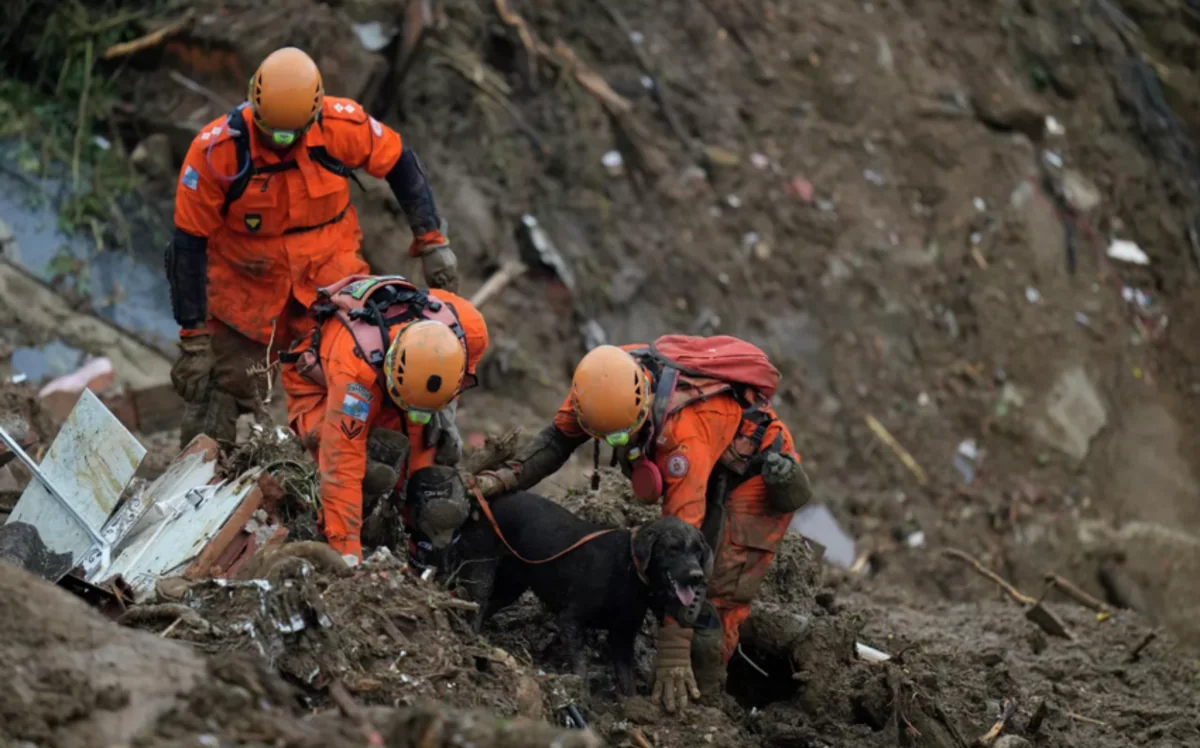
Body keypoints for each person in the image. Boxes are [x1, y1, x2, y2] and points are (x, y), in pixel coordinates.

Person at [472, 336, 813, 712]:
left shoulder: (685, 430)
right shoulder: (600, 386)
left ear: (643, 406)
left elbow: (684, 539)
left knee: (716, 592)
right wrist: (500, 480)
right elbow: (555, 443)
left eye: (621, 436)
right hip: (705, 455)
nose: (616, 443)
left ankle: (706, 702)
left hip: (754, 473)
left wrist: (673, 652)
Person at [167, 46, 460, 446]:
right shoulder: (216, 153)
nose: (280, 142)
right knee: (220, 389)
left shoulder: (342, 127)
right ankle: (197, 484)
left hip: (331, 282)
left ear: (314, 113)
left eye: (291, 134)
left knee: (357, 373)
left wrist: (431, 241)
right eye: (271, 132)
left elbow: (400, 164)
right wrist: (193, 338)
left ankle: (367, 463)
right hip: (246, 289)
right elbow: (187, 245)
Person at [280, 274, 488, 565]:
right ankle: (340, 531)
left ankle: (422, 559)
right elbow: (342, 467)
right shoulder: (355, 378)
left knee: (434, 496)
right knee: (373, 468)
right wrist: (346, 555)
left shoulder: (470, 331)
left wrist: (445, 415)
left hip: (406, 394)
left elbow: (451, 377)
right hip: (322, 388)